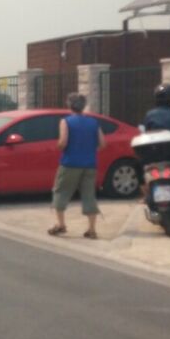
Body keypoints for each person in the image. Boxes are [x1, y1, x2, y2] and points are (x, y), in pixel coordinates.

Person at [49, 93, 106, 239]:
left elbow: (63, 142)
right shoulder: (94, 123)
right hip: (90, 164)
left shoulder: (66, 122)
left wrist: (58, 147)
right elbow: (102, 144)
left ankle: (61, 224)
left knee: (61, 191)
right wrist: (89, 150)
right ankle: (91, 229)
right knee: (89, 195)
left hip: (70, 163)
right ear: (84, 106)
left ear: (69, 105)